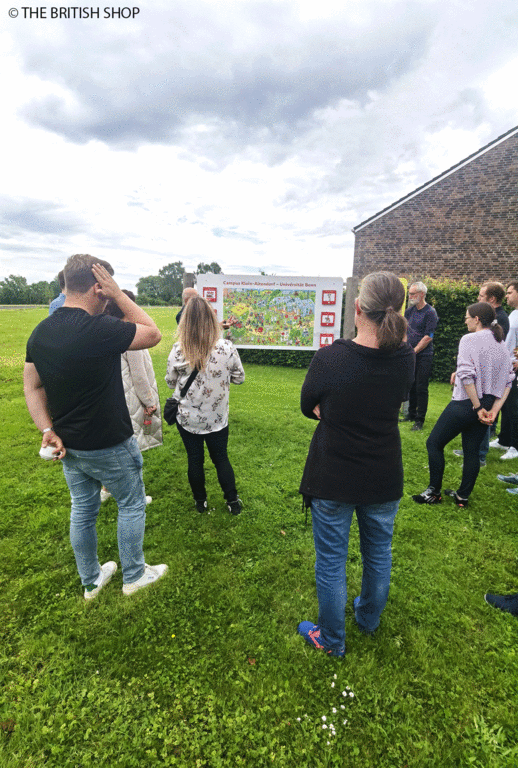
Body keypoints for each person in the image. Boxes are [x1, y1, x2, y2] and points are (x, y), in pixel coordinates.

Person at [24, 254, 168, 599]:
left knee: (83, 510)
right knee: (131, 504)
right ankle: (134, 575)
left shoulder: (41, 332)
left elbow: (32, 386)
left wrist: (46, 429)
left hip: (69, 443)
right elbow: (153, 333)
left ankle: (91, 580)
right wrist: (119, 294)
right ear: (98, 288)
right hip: (111, 441)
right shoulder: (99, 328)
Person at [296, 272, 415, 657]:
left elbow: (308, 405)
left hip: (333, 476)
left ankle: (332, 640)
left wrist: (330, 407)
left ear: (358, 307)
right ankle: (367, 621)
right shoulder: (406, 358)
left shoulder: (331, 358)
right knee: (378, 554)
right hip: (383, 474)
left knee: (331, 562)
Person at [413, 302, 514, 508]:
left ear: (477, 319)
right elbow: (508, 381)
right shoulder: (501, 344)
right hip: (487, 405)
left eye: (467, 317)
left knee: (434, 443)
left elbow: (468, 376)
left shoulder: (469, 339)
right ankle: (462, 497)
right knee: (472, 451)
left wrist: (477, 407)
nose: (465, 321)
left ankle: (433, 492)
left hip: (467, 403)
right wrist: (493, 410)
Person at [165, 295, 245, 514]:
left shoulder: (178, 349)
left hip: (188, 418)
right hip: (217, 417)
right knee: (221, 458)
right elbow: (239, 378)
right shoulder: (226, 348)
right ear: (211, 319)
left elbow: (171, 382)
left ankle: (200, 502)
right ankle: (232, 501)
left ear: (185, 322)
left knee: (195, 460)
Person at [101, 289, 163, 503]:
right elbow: (139, 374)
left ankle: (106, 488)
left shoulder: (103, 330)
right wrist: (149, 401)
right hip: (131, 400)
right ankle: (136, 496)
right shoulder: (130, 333)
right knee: (131, 453)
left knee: (114, 450)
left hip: (112, 397)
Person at [453, 282, 509, 466]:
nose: (478, 298)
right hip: (479, 379)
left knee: (482, 413)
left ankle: (480, 455)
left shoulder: (500, 319)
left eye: (481, 295)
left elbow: (493, 354)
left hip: (488, 382)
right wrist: (461, 369)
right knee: (476, 414)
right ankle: (471, 450)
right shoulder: (489, 322)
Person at [401, 281, 439, 431]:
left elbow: (429, 336)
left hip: (424, 355)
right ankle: (410, 414)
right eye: (409, 294)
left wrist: (414, 351)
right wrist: (406, 348)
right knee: (410, 384)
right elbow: (404, 331)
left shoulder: (430, 312)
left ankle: (419, 419)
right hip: (411, 354)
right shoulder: (409, 311)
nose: (410, 296)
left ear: (422, 294)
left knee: (421, 387)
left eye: (413, 294)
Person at [489, 281, 518, 460]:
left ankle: (515, 446)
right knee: (506, 405)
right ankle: (504, 440)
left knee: (515, 407)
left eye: (510, 292)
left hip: (515, 366)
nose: (506, 296)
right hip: (507, 365)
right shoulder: (513, 313)